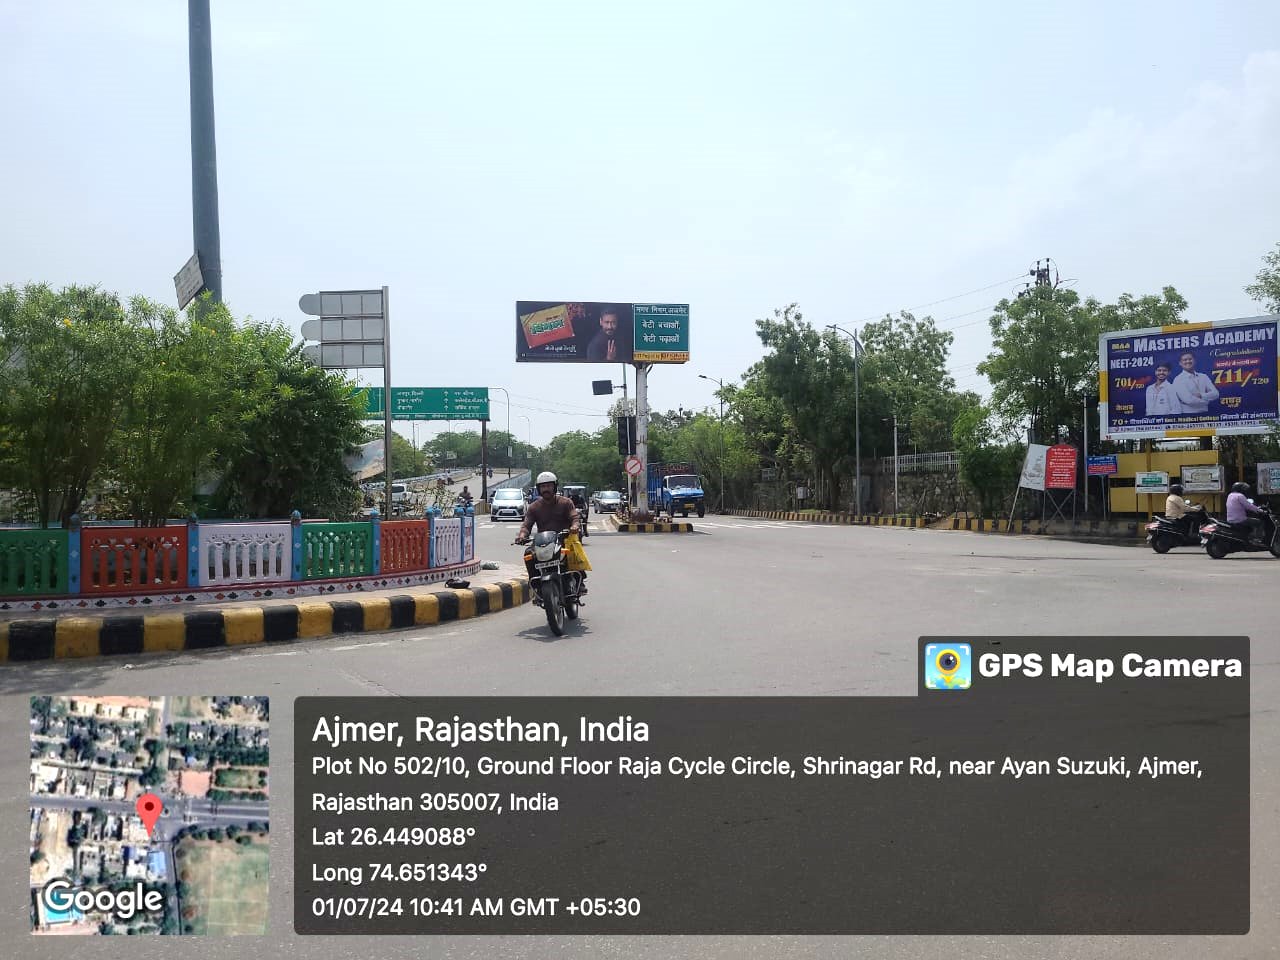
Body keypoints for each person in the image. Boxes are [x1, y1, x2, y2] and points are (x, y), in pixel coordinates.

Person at [515, 472, 588, 592]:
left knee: (573, 550)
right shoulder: (534, 507)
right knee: (528, 554)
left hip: (563, 540)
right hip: (543, 543)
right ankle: (536, 585)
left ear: (555, 487)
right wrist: (522, 536)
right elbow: (526, 525)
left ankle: (579, 581)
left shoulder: (565, 503)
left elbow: (574, 517)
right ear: (539, 489)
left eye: (549, 486)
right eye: (543, 486)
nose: (546, 489)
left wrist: (575, 526)